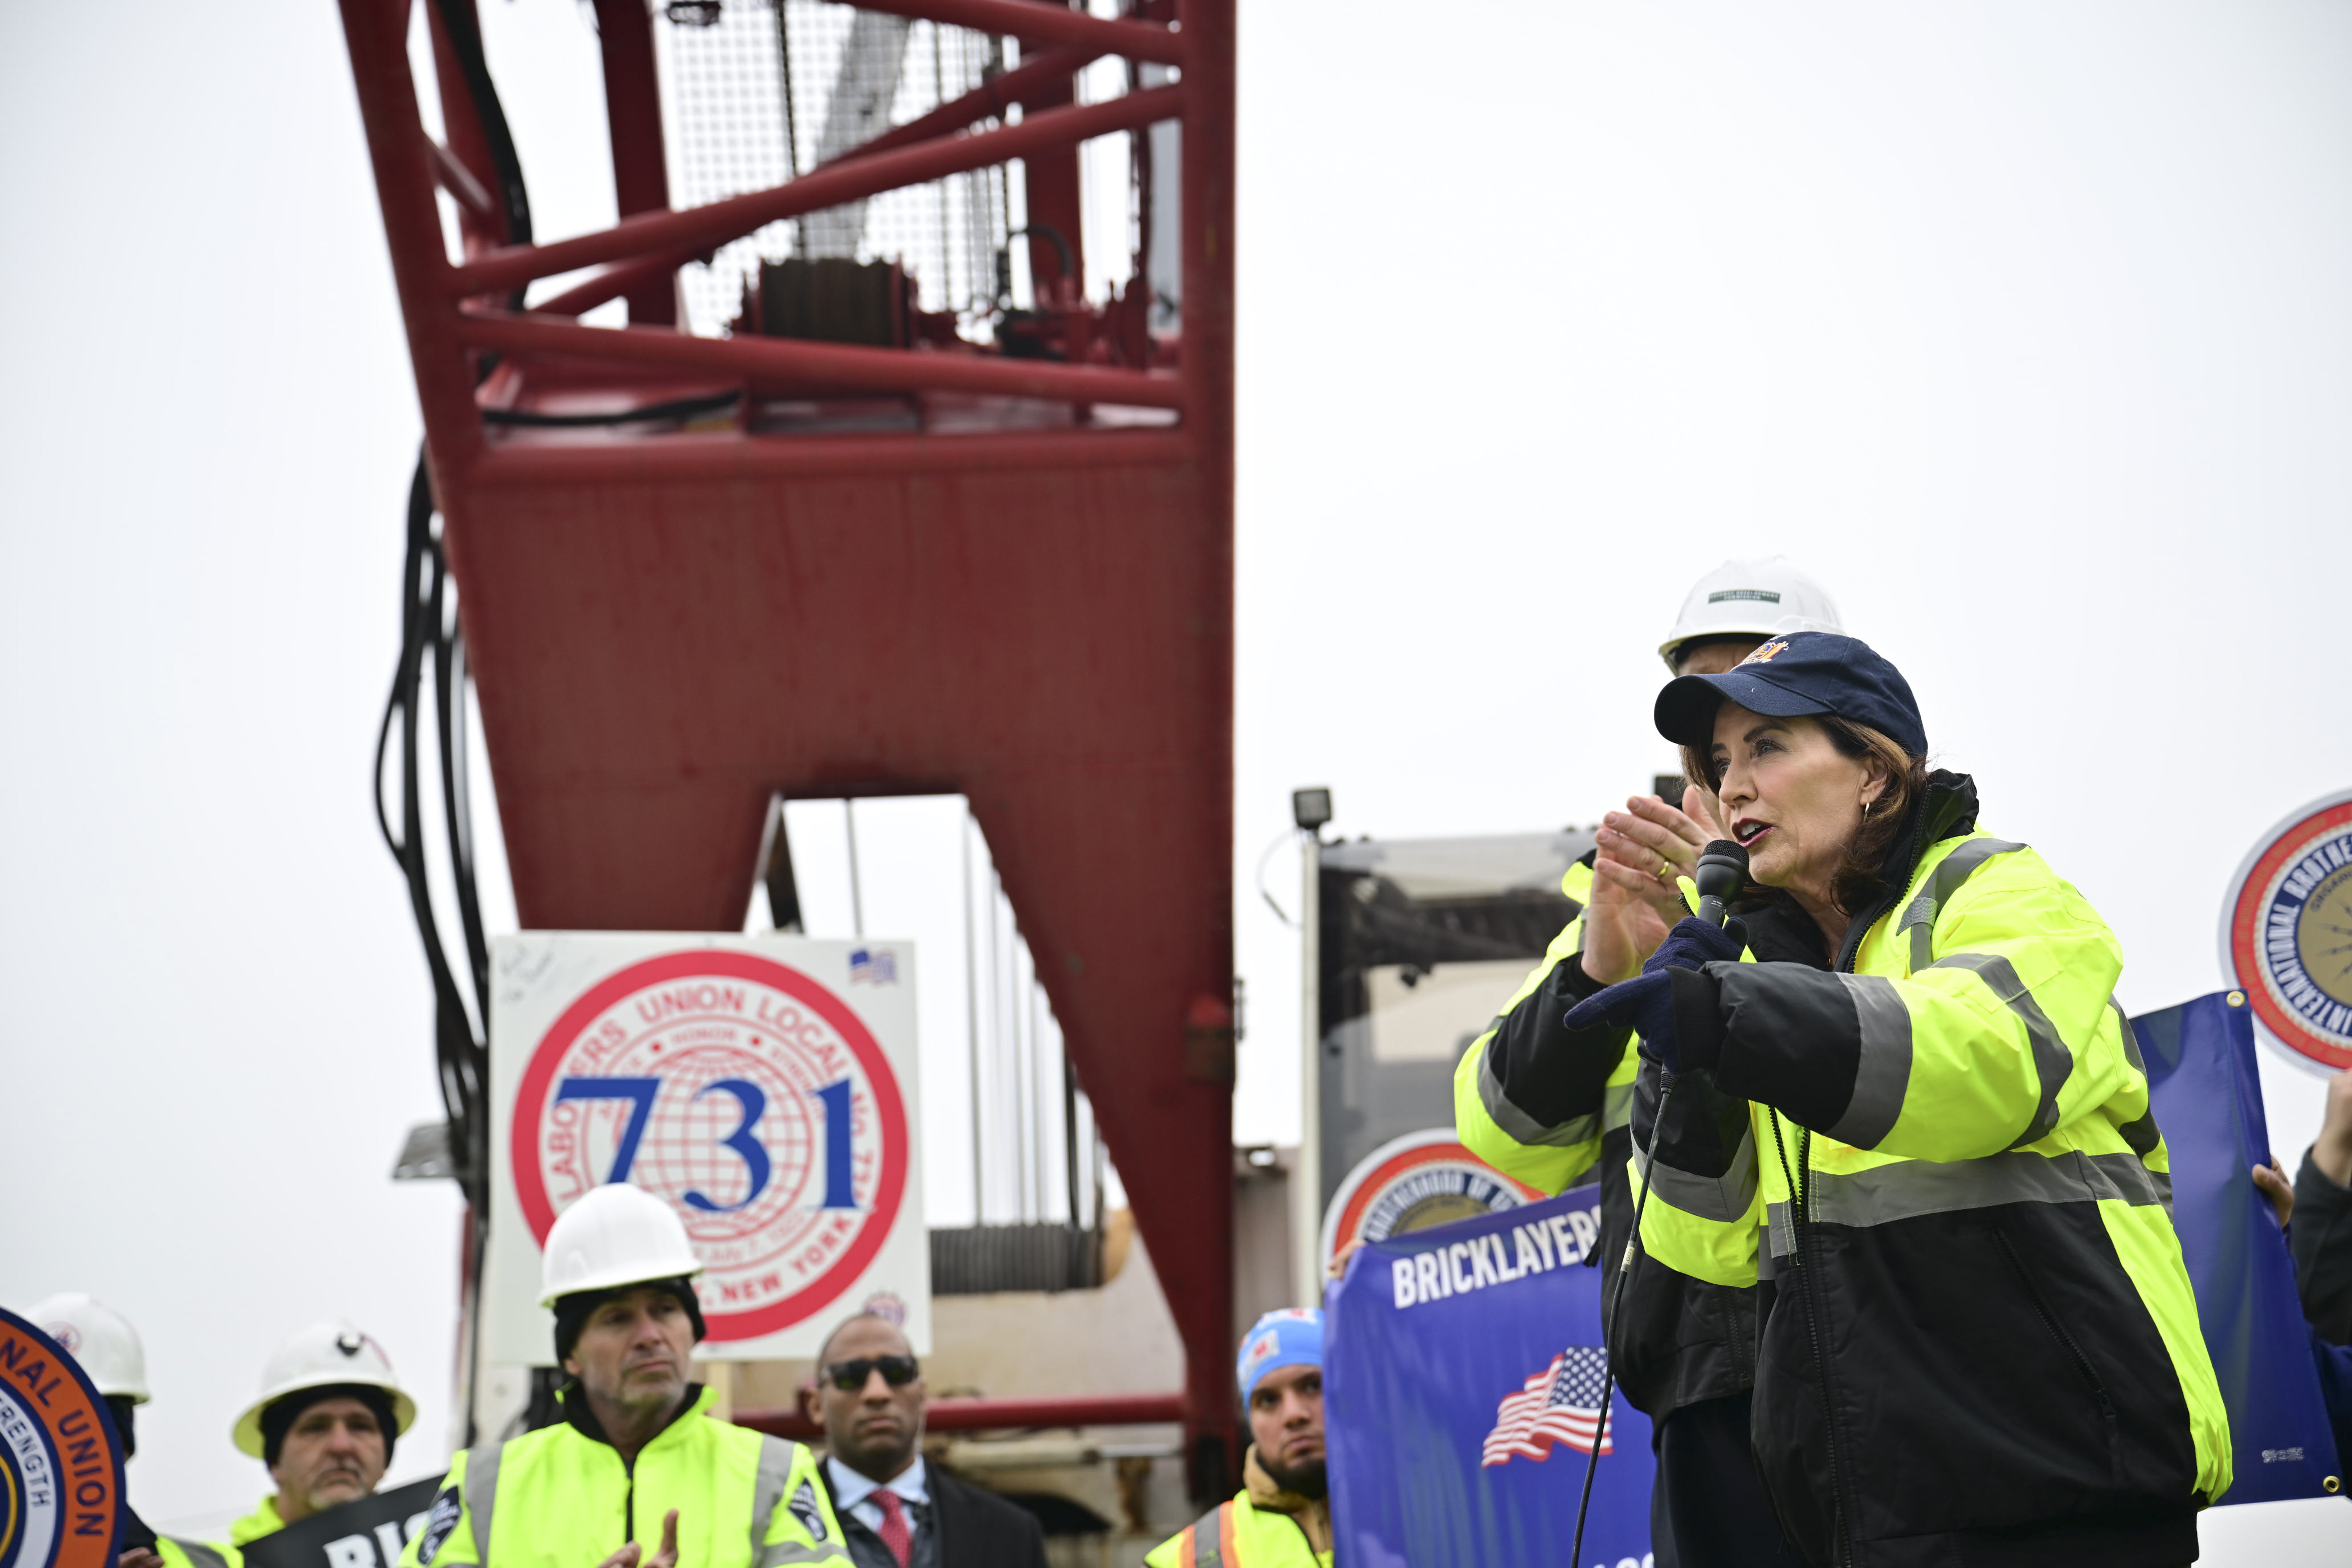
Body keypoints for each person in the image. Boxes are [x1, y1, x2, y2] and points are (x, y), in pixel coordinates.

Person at [1564, 630, 2232, 1564]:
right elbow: (1700, 1251)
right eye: (1721, 761)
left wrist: (1736, 1014)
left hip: (2073, 1494)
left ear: (1874, 772)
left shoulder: (2002, 886)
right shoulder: (1758, 971)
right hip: (1874, 1521)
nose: (1734, 786)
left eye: (1767, 746)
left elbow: (1985, 1062)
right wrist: (1696, 1068)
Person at [1453, 556, 1842, 1565]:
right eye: (1703, 720)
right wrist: (1595, 962)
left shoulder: (1868, 871)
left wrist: (1736, 906)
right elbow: (1503, 1133)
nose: (1723, 749)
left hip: (1876, 1354)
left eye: (1756, 708)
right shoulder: (1621, 890)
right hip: (1700, 1372)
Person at [401, 1182, 850, 1568]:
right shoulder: (483, 1482)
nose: (650, 1335)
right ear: (571, 1353)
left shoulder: (775, 1470)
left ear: (692, 1329)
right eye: (617, 1318)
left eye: (666, 1309)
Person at [802, 1312, 1047, 1568]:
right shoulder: (769, 1530)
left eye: (898, 1372)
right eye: (850, 1375)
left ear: (922, 1395)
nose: (878, 1392)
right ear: (816, 1405)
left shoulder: (1010, 1533)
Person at [26, 1292, 237, 1568]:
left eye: (81, 1432)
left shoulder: (218, 1564)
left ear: (123, 1444)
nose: (62, 1450)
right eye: (44, 1431)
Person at [1145, 1309, 1331, 1568]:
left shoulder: (1405, 1512)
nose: (1293, 1415)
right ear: (1250, 1420)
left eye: (1313, 1386)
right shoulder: (1188, 1559)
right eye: (1268, 1400)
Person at [225, 1318, 419, 1550]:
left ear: (385, 1458)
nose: (341, 1446)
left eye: (360, 1426)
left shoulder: (433, 1555)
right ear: (275, 1461)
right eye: (315, 1428)